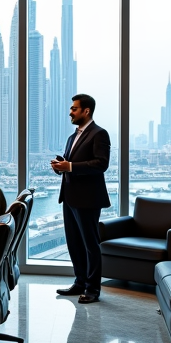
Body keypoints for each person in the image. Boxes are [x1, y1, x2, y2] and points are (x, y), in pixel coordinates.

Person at [52, 93, 111, 304]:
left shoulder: (99, 134)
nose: (70, 112)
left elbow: (101, 164)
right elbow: (71, 165)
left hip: (88, 199)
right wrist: (62, 167)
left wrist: (70, 167)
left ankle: (93, 289)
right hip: (69, 197)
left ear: (86, 111)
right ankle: (79, 282)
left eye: (74, 108)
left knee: (90, 245)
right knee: (74, 243)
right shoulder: (72, 137)